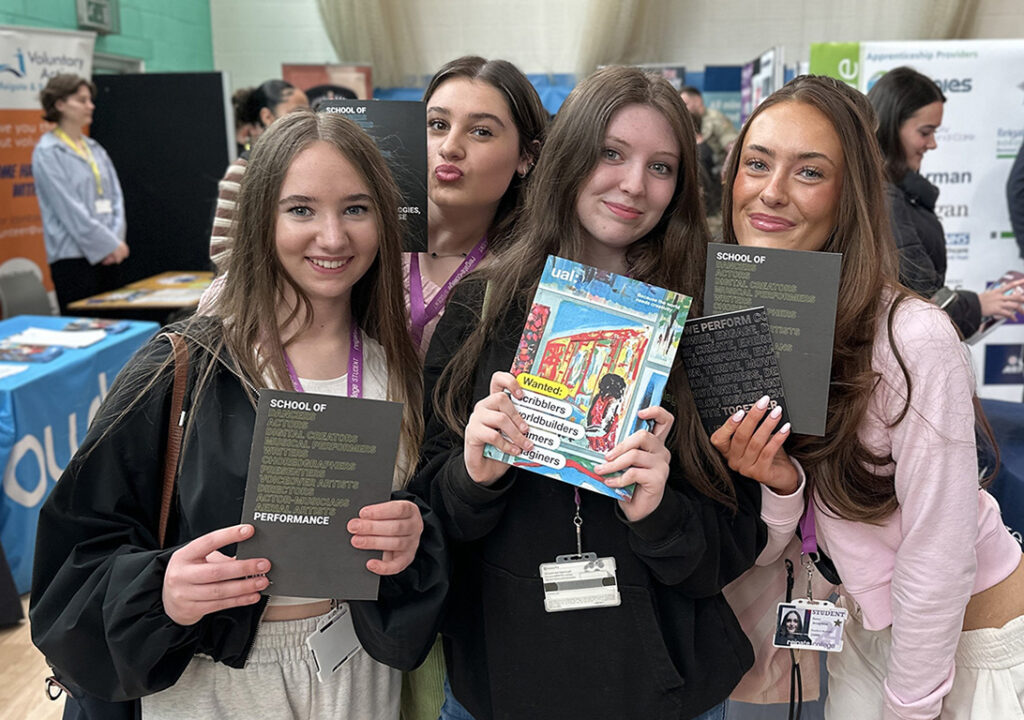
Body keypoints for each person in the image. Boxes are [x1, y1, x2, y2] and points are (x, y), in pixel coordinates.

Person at [30, 110, 446, 719]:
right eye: (300, 209)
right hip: (211, 677)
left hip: (359, 670)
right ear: (259, 221)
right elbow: (74, 557)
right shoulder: (182, 369)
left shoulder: (401, 373)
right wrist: (162, 588)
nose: (332, 238)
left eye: (355, 209)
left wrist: (414, 535)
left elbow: (423, 529)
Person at [411, 65, 781, 720]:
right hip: (504, 684)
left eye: (662, 166)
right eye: (612, 153)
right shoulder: (482, 303)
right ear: (568, 155)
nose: (634, 185)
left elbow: (736, 539)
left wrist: (660, 509)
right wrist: (473, 476)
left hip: (663, 689)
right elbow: (431, 514)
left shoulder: (718, 316)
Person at [716, 74, 1024, 719]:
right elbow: (785, 540)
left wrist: (911, 707)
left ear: (847, 193)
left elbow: (939, 551)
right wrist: (779, 484)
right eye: (757, 163)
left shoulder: (912, 336)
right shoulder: (742, 316)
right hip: (862, 626)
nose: (771, 192)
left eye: (809, 172)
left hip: (972, 642)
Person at [407, 56, 547, 356]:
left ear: (527, 157)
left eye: (481, 131)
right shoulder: (367, 239)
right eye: (437, 124)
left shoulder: (529, 281)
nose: (449, 147)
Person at [868, 66, 1024, 338]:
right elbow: (920, 293)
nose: (932, 144)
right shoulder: (885, 198)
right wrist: (978, 304)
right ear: (892, 128)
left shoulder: (894, 194)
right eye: (925, 132)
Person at [32, 74, 129, 313]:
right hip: (73, 259)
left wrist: (115, 242)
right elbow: (69, 209)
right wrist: (106, 245)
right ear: (59, 104)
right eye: (82, 100)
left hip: (111, 254)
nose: (91, 106)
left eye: (90, 100)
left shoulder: (95, 149)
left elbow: (116, 198)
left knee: (117, 328)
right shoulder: (47, 152)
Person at [209, 79, 309, 270]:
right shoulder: (244, 169)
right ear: (267, 116)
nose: (305, 120)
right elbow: (222, 250)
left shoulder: (303, 164)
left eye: (310, 111)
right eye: (296, 113)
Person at [680, 85, 738, 174]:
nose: (684, 109)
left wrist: (727, 173)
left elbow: (732, 148)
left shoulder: (715, 118)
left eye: (686, 104)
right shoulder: (688, 122)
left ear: (698, 100)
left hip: (716, 174)